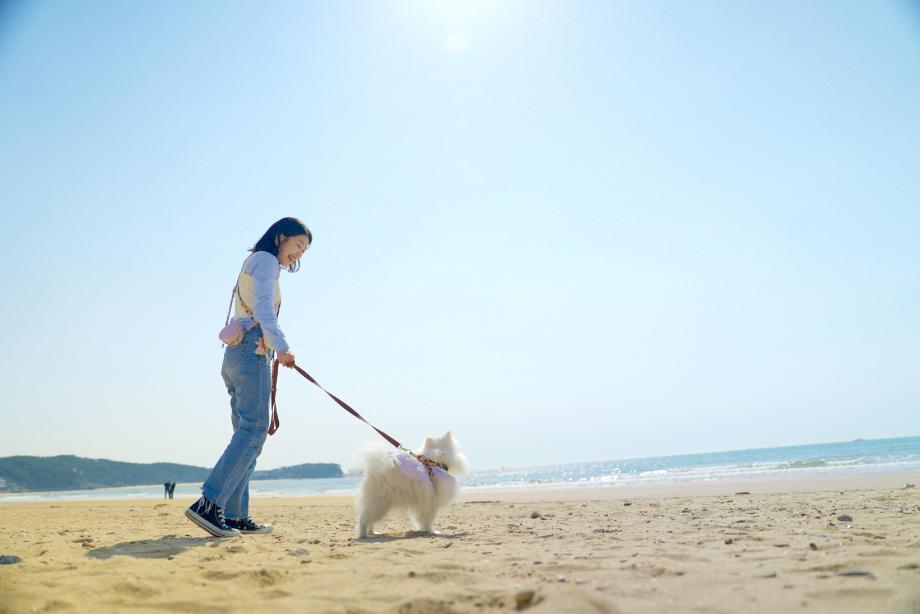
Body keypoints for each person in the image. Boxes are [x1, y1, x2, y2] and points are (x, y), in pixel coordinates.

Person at [186, 217, 311, 537]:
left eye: (304, 250)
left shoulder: (254, 262)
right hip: (251, 354)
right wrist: (282, 347)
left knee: (246, 435)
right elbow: (265, 311)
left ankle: (235, 514)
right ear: (280, 237)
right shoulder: (267, 261)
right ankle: (209, 504)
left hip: (236, 355)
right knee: (253, 432)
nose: (299, 253)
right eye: (298, 245)